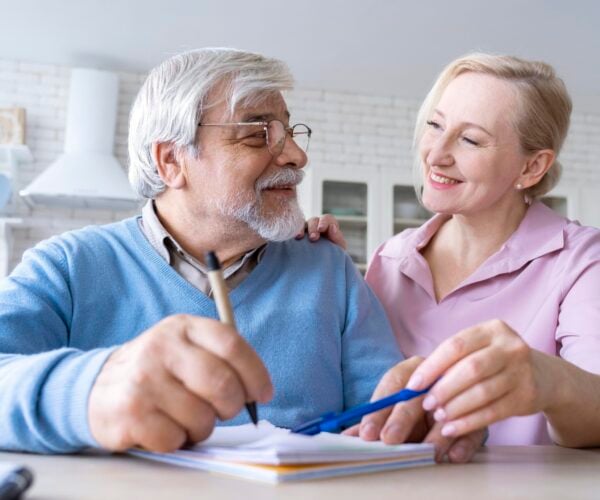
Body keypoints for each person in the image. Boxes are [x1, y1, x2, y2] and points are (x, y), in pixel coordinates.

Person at [0, 48, 482, 461]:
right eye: (258, 134)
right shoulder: (67, 266)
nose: (296, 155)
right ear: (172, 160)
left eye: (291, 132)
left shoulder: (329, 271)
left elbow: (388, 414)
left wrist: (430, 411)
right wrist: (88, 392)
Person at [306, 53, 600, 450]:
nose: (436, 153)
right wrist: (325, 276)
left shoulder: (581, 262)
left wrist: (550, 380)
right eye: (435, 125)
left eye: (470, 139)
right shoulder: (391, 259)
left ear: (531, 168)